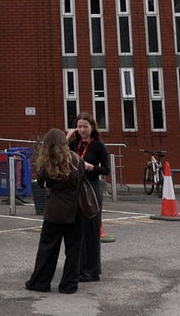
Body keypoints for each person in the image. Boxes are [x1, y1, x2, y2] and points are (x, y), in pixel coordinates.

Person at [25, 128, 83, 295]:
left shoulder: (47, 162)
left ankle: (40, 282)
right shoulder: (76, 160)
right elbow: (81, 179)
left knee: (47, 248)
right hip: (75, 209)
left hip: (55, 210)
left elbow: (42, 183)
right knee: (73, 249)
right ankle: (69, 285)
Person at [67, 112, 109, 283]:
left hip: (91, 188)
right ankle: (78, 267)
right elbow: (60, 155)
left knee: (91, 230)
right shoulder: (72, 143)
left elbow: (106, 169)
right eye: (79, 126)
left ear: (92, 127)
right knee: (77, 231)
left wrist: (92, 167)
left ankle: (92, 270)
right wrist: (67, 137)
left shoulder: (97, 145)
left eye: (85, 126)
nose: (82, 129)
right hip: (75, 188)